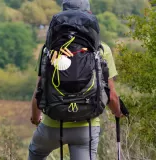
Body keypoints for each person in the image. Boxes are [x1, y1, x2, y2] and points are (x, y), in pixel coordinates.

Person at [28, 0, 125, 160]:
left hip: (53, 124)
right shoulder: (101, 50)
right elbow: (111, 95)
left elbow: (39, 90)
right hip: (86, 127)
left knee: (36, 152)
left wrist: (35, 117)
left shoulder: (48, 50)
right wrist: (118, 112)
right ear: (89, 15)